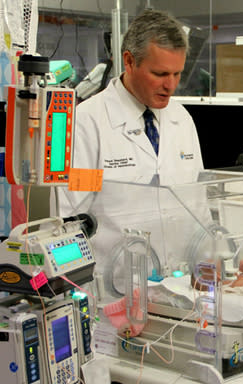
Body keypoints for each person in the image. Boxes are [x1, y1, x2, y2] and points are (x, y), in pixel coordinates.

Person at [53, 9, 205, 281]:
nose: (170, 85)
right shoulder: (87, 124)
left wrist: (210, 265)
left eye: (177, 74)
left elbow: (199, 207)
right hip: (112, 293)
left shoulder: (182, 120)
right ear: (129, 61)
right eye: (159, 73)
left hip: (178, 287)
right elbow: (70, 221)